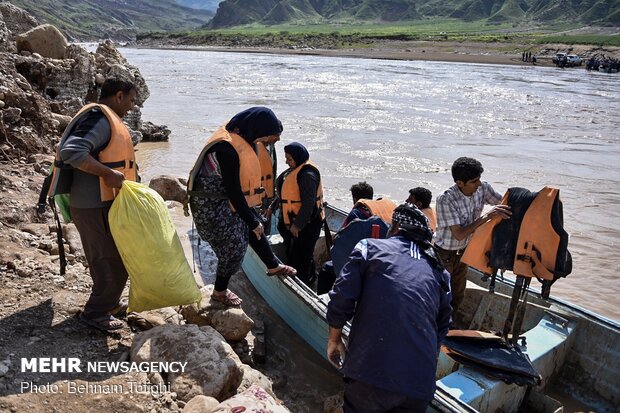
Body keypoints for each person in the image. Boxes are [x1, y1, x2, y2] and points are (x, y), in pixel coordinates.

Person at [326, 203, 452, 413]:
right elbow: (443, 326)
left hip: (371, 373)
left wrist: (334, 339)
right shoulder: (441, 273)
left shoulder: (369, 248)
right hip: (419, 385)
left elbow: (342, 297)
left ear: (394, 228)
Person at [49, 77, 138, 332]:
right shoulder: (100, 117)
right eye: (131, 100)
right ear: (119, 96)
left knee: (111, 258)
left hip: (102, 203)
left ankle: (107, 304)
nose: (132, 106)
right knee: (112, 261)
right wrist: (106, 174)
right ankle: (95, 314)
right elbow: (72, 151)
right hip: (94, 204)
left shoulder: (105, 118)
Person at [187, 107, 296, 307]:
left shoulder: (242, 137)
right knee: (235, 247)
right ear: (258, 128)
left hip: (225, 199)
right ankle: (219, 292)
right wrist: (252, 222)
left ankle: (273, 265)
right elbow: (234, 191)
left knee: (256, 224)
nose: (270, 142)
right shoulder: (227, 149)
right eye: (268, 137)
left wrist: (253, 221)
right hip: (210, 205)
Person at [435, 157, 511, 315]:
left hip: (464, 253)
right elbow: (459, 234)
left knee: (458, 294)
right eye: (474, 181)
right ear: (459, 183)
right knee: (441, 295)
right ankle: (435, 329)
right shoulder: (446, 199)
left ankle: (449, 327)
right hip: (444, 254)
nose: (479, 184)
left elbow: (505, 204)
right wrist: (488, 216)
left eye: (479, 179)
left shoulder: (482, 188)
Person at [275, 142, 324, 286]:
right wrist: (273, 206)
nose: (286, 162)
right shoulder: (294, 170)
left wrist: (297, 226)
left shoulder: (307, 175)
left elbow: (309, 204)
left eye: (289, 159)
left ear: (298, 157)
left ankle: (303, 283)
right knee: (295, 254)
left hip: (306, 226)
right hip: (293, 224)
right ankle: (306, 277)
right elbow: (286, 195)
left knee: (301, 257)